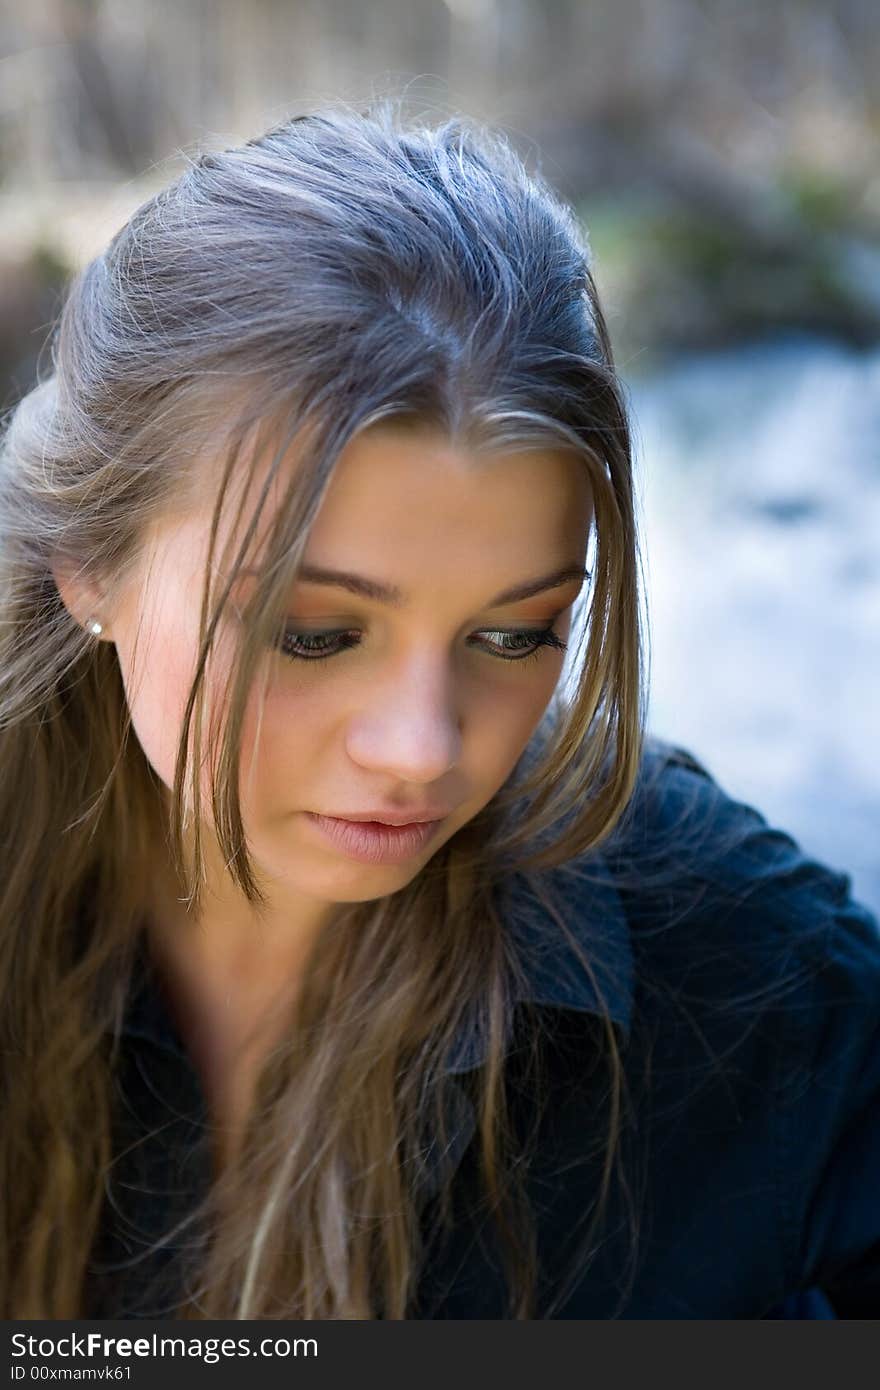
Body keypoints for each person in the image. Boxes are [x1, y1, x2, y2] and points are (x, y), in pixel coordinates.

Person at [0, 102, 876, 1321]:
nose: (420, 748)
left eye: (513, 635)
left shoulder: (749, 979)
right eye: (314, 633)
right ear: (88, 567)